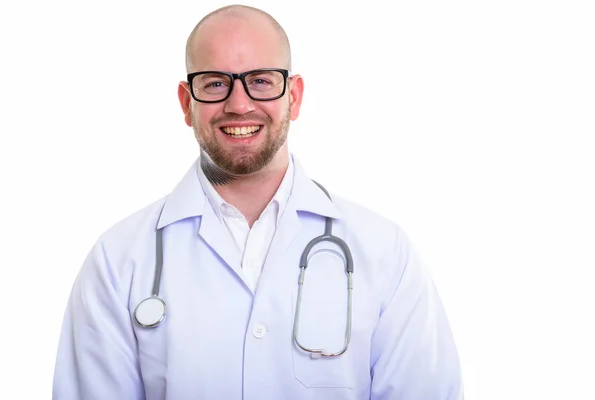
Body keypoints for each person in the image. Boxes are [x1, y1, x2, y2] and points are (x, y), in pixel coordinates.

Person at [53, 4, 463, 399]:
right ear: (186, 103)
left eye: (262, 80)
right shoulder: (118, 260)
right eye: (215, 83)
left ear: (295, 97)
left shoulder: (384, 253)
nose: (239, 104)